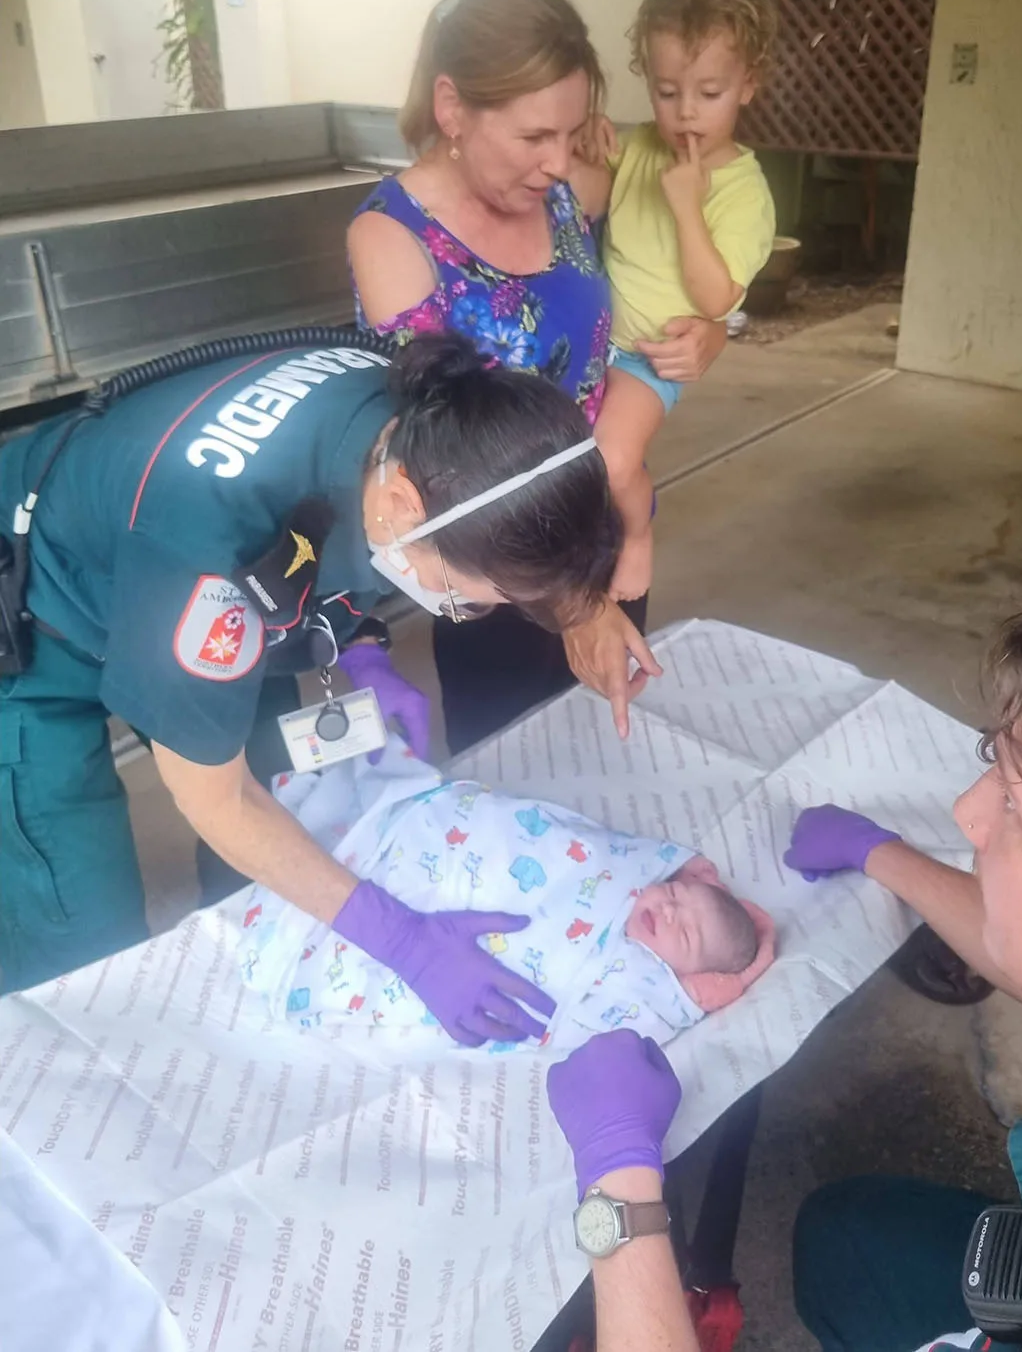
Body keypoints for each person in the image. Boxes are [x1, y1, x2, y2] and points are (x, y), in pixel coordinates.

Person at [546, 555, 1022, 1352]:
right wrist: (881, 855)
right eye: (994, 763)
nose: (967, 812)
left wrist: (619, 1194)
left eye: (1019, 811)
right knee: (846, 1238)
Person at [0, 332, 618, 1029]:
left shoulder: (425, 424)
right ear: (405, 509)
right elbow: (220, 801)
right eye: (468, 597)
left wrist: (360, 646)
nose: (470, 612)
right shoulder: (208, 556)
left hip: (152, 559)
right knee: (81, 941)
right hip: (34, 619)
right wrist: (404, 944)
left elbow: (323, 544)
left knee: (283, 827)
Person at [347, 0, 727, 753]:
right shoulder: (393, 239)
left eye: (571, 132)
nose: (558, 161)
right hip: (497, 569)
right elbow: (447, 450)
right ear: (452, 108)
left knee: (605, 743)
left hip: (604, 526)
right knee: (514, 759)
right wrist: (577, 609)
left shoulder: (562, 194)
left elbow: (661, 276)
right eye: (533, 137)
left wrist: (712, 330)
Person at [238, 746, 775, 1047]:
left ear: (686, 979)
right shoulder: (631, 874)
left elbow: (637, 1031)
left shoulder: (634, 987)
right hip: (437, 841)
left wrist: (725, 983)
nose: (667, 909)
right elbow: (587, 843)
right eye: (677, 894)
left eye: (683, 931)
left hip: (445, 928)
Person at [579, 0, 777, 600]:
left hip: (648, 359)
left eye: (709, 92)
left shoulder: (744, 191)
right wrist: (583, 142)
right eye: (667, 92)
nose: (686, 112)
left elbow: (717, 299)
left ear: (749, 85)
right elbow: (583, 194)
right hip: (590, 340)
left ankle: (637, 535)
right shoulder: (640, 147)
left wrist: (689, 206)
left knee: (611, 463)